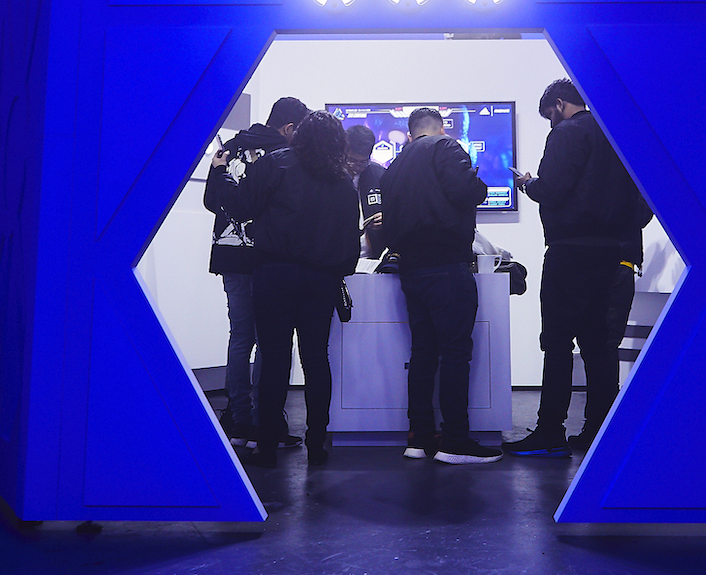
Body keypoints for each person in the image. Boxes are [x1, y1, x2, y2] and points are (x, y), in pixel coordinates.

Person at [504, 80, 652, 457]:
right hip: (610, 254)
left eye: (549, 116)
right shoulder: (615, 135)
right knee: (598, 345)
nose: (551, 124)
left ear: (558, 105)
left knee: (556, 342)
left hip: (569, 252)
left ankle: (550, 431)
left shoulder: (568, 134)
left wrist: (528, 184)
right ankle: (598, 432)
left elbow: (552, 189)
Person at [205, 111, 361, 467]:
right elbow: (350, 245)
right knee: (316, 359)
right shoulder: (342, 182)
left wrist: (224, 176)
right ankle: (317, 442)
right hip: (321, 280)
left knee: (274, 359)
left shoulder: (277, 164)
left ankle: (266, 444)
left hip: (274, 274)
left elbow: (242, 207)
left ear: (300, 134)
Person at [377, 107, 503, 464]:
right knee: (454, 353)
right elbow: (468, 191)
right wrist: (476, 180)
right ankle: (455, 441)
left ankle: (418, 437)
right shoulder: (446, 148)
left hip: (411, 269)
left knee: (423, 353)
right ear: (442, 127)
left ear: (411, 130)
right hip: (446, 265)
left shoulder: (395, 166)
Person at [202, 96, 309, 450]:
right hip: (268, 256)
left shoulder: (231, 149)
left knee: (240, 336)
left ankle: (238, 417)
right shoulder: (284, 158)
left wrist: (220, 173)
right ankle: (268, 419)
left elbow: (209, 202)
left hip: (230, 255)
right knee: (273, 341)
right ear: (289, 128)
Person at [346, 125, 387, 267]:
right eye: (351, 160)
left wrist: (387, 217)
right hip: (340, 258)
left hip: (374, 259)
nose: (356, 167)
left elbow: (397, 210)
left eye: (363, 162)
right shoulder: (331, 176)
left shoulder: (380, 175)